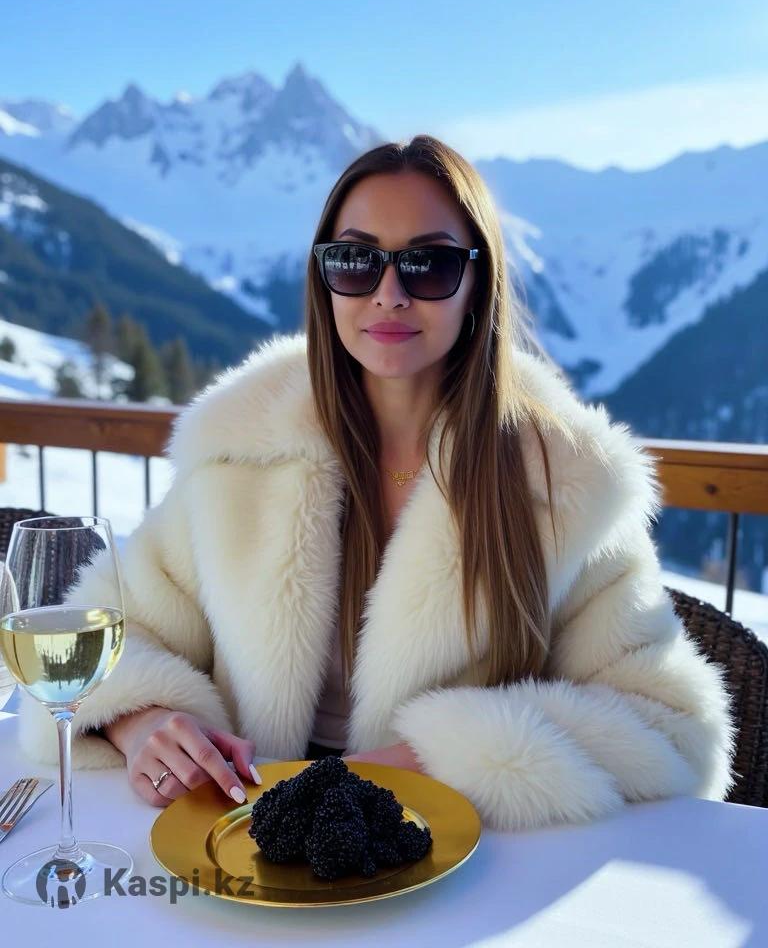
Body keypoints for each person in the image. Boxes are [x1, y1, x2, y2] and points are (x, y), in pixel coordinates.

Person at [17, 135, 737, 830]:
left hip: (459, 854)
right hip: (242, 837)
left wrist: (439, 759)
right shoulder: (239, 452)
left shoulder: (565, 480)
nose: (389, 295)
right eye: (357, 261)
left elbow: (672, 722)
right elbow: (103, 635)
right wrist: (142, 719)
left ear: (477, 283)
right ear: (324, 278)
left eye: (429, 265)